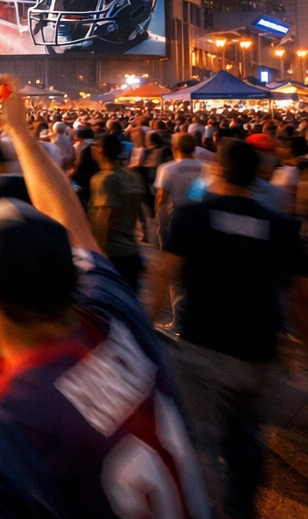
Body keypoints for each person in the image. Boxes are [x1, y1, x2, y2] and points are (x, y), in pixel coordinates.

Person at [0, 77, 208, 519]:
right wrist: (21, 133)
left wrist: (18, 132)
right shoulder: (114, 316)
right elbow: (72, 224)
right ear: (71, 275)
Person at [147, 137, 308, 519]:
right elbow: (301, 298)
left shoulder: (191, 217)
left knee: (201, 443)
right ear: (256, 178)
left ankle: (211, 510)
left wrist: (146, 325)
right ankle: (243, 508)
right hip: (256, 351)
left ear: (217, 170)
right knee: (246, 436)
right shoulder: (283, 227)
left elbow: (161, 275)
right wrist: (300, 344)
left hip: (202, 347)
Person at [88, 132, 144, 289]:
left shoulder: (103, 179)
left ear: (101, 150)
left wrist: (97, 253)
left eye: (94, 146)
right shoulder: (132, 177)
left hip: (111, 253)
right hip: (131, 251)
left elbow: (104, 217)